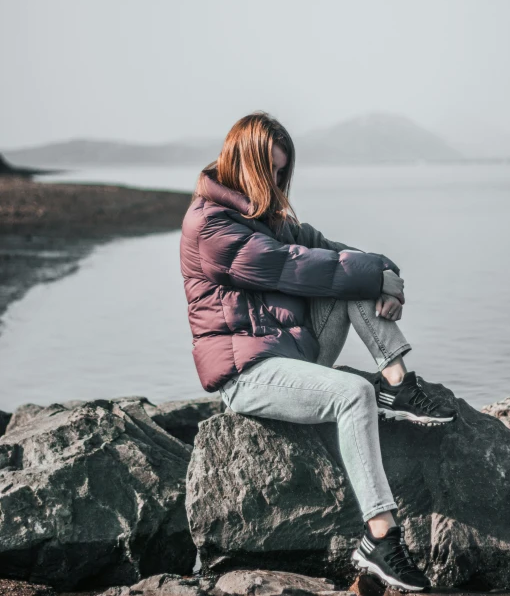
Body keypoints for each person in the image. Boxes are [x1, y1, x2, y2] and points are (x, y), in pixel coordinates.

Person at [179, 110, 456, 592]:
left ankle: (399, 384)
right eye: (268, 167)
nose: (275, 179)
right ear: (241, 157)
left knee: (352, 279)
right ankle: (380, 538)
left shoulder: (270, 216)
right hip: (247, 375)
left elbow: (333, 253)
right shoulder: (210, 227)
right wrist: (378, 276)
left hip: (294, 356)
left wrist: (387, 274)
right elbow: (289, 266)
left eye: (282, 171)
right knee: (352, 394)